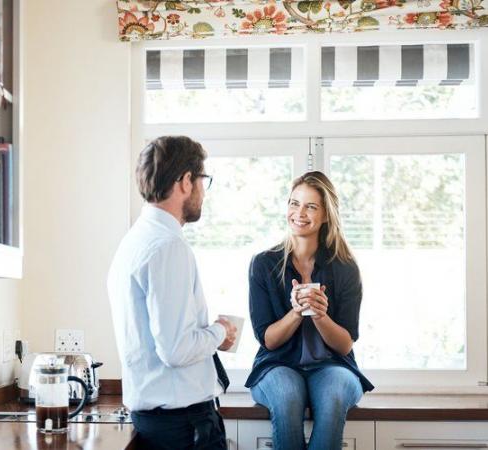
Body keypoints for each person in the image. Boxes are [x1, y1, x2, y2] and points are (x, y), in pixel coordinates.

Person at [107, 135, 237, 450]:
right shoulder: (168, 247)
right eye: (203, 180)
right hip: (184, 427)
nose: (204, 191)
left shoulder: (135, 240)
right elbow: (176, 349)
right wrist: (221, 331)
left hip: (160, 423)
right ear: (184, 181)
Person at [246, 171, 374, 450]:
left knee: (334, 396)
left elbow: (344, 344)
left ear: (326, 215)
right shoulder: (264, 264)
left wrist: (320, 315)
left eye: (311, 206)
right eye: (294, 203)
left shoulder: (345, 268)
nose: (299, 213)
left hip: (332, 366)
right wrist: (296, 312)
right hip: (277, 365)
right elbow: (268, 340)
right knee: (287, 397)